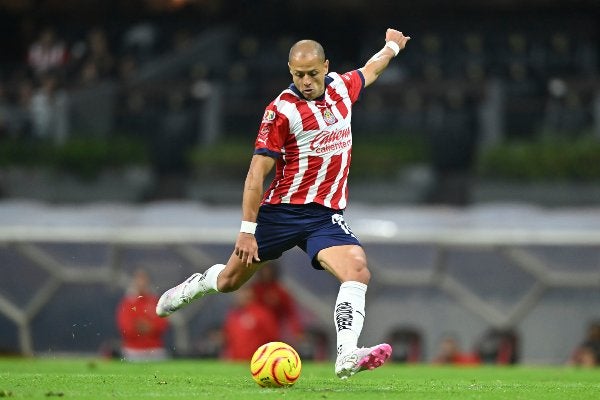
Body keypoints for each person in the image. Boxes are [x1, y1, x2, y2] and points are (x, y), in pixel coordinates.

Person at [156, 28, 411, 379]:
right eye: (298, 75)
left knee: (357, 270)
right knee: (231, 281)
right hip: (281, 213)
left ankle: (346, 354)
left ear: (326, 67)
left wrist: (391, 47)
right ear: (291, 72)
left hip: (324, 216)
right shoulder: (281, 111)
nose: (306, 81)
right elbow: (255, 175)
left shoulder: (340, 88)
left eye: (312, 74)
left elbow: (371, 70)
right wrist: (247, 231)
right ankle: (196, 285)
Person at [116, 268, 170, 361]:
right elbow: (124, 326)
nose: (141, 283)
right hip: (133, 350)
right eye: (138, 279)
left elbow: (163, 324)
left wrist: (150, 327)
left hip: (155, 349)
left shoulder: (155, 301)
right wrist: (139, 327)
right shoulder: (128, 303)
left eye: (143, 279)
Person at [251, 262, 304, 344]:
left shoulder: (280, 291)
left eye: (268, 271)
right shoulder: (253, 290)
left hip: (274, 332)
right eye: (264, 270)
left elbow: (291, 313)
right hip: (254, 332)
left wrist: (297, 331)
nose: (266, 273)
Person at [222, 286, 279, 361]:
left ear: (250, 293)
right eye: (238, 293)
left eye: (242, 292)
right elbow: (228, 339)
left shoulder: (262, 313)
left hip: (256, 363)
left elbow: (272, 339)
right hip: (235, 363)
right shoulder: (233, 315)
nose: (239, 296)